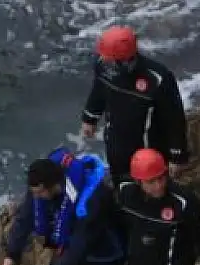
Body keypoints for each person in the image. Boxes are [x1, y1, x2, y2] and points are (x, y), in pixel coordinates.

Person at [80, 24, 189, 180]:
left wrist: (177, 156)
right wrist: (89, 118)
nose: (104, 62)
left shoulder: (158, 79)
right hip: (115, 142)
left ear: (125, 61)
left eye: (110, 60)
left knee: (148, 190)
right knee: (120, 182)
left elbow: (174, 119)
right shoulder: (102, 65)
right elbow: (98, 90)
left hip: (147, 148)